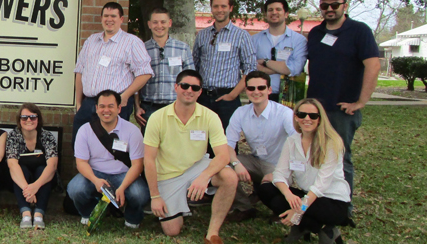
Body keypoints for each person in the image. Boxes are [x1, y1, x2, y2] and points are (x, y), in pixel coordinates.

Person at [306, 0, 379, 216]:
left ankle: (342, 208)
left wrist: (361, 101)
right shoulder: (316, 33)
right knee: (314, 155)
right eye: (324, 5)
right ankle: (316, 203)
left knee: (340, 158)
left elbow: (373, 65)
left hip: (341, 110)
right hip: (316, 109)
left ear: (344, 6)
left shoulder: (359, 31)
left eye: (334, 5)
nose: (329, 9)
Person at [144, 69, 238, 244]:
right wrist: (155, 196)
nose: (189, 90)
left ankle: (212, 233)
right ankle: (180, 207)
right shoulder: (157, 117)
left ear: (200, 92)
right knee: (172, 231)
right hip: (168, 176)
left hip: (197, 167)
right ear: (176, 87)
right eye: (185, 86)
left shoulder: (210, 116)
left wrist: (204, 177)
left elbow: (223, 155)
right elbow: (149, 159)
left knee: (229, 177)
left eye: (195, 88)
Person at [257, 98, 351, 244]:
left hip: (332, 202)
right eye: (302, 115)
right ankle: (313, 226)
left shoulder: (332, 142)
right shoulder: (292, 141)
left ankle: (318, 227)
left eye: (313, 116)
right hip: (309, 197)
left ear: (320, 119)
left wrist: (298, 209)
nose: (307, 119)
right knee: (267, 190)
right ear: (296, 117)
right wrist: (289, 196)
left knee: (283, 203)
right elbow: (280, 174)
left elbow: (321, 184)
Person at [72, 1, 153, 144]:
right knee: (80, 145)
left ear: (121, 19)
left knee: (112, 148)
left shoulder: (132, 42)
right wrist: (79, 103)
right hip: (89, 103)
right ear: (101, 18)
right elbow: (79, 71)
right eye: (106, 16)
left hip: (115, 105)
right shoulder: (91, 41)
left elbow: (145, 73)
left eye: (113, 16)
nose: (109, 20)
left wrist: (125, 96)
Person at [67, 89, 149, 229]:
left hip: (123, 174)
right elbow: (81, 163)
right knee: (75, 189)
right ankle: (89, 212)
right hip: (95, 173)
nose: (106, 110)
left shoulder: (132, 131)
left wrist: (122, 187)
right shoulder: (85, 130)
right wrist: (95, 180)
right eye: (102, 106)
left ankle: (132, 217)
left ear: (119, 108)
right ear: (97, 108)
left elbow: (137, 165)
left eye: (111, 106)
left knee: (140, 194)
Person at [224, 71, 295, 222]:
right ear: (246, 90)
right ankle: (244, 207)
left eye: (261, 88)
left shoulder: (284, 113)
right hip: (256, 161)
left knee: (272, 185)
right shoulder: (241, 112)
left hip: (279, 164)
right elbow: (228, 144)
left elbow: (298, 143)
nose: (256, 92)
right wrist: (236, 164)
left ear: (269, 90)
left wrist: (281, 171)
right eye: (251, 88)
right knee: (223, 167)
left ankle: (280, 210)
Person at [193, 0, 257, 131]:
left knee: (227, 140)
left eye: (223, 6)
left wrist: (233, 95)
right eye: (216, 6)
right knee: (200, 139)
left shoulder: (242, 36)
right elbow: (195, 66)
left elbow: (250, 69)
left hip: (228, 98)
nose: (219, 10)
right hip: (203, 97)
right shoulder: (202, 35)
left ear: (230, 8)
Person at [135, 8, 195, 135]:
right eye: (155, 22)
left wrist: (189, 105)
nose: (159, 26)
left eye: (163, 22)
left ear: (170, 23)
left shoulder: (182, 48)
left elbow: (191, 79)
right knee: (151, 148)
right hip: (149, 107)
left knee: (176, 147)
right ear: (149, 24)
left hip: (176, 106)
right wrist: (137, 106)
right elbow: (136, 81)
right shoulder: (141, 48)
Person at [6, 103, 58, 229]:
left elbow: (52, 165)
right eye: (24, 117)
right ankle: (26, 214)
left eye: (32, 117)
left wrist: (35, 186)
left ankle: (39, 214)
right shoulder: (14, 136)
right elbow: (12, 164)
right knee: (20, 170)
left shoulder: (47, 136)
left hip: (43, 180)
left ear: (38, 119)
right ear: (19, 120)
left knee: (43, 170)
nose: (28, 120)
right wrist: (28, 190)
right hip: (22, 181)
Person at [251, 0, 308, 102]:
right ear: (265, 14)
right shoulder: (254, 40)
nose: (274, 12)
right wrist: (281, 68)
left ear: (286, 14)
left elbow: (294, 69)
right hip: (259, 96)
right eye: (270, 10)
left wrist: (265, 62)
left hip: (288, 97)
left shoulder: (299, 40)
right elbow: (250, 65)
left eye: (278, 9)